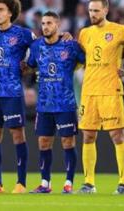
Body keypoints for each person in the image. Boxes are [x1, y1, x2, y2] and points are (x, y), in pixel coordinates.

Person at [24, 11, 85, 194]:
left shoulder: (70, 45)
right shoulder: (36, 46)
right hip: (44, 104)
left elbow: (88, 61)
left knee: (68, 142)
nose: (45, 27)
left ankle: (68, 183)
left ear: (58, 25)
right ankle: (45, 183)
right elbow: (30, 66)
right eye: (43, 23)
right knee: (43, 143)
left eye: (49, 23)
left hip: (65, 103)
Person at [76, 0, 124, 194]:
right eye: (90, 10)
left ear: (106, 10)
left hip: (110, 90)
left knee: (117, 135)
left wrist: (122, 66)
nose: (93, 14)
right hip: (89, 91)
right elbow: (79, 57)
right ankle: (89, 183)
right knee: (88, 136)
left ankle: (123, 183)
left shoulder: (120, 31)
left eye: (96, 11)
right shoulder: (84, 33)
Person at [0, 0, 34, 194]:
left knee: (17, 135)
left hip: (12, 92)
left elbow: (41, 48)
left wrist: (30, 67)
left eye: (1, 10)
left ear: (10, 12)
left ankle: (21, 183)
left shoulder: (23, 34)